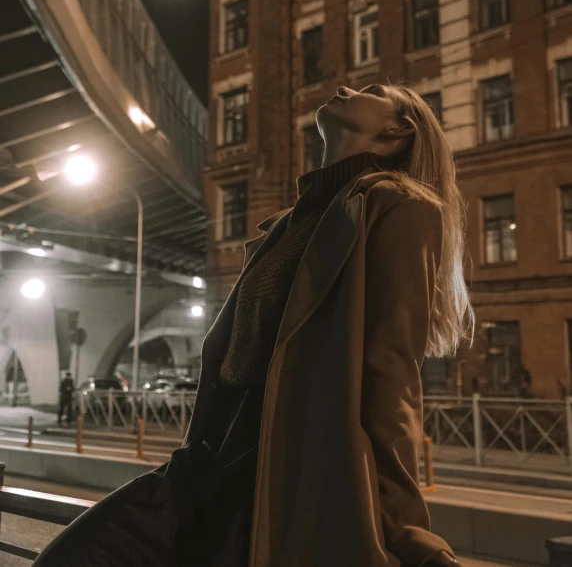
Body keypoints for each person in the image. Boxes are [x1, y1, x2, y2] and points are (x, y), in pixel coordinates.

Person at [35, 84, 473, 566]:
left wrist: (404, 527)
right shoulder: (287, 224)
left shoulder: (401, 206)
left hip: (282, 469)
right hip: (209, 459)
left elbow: (391, 371)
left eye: (372, 92)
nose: (346, 88)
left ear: (398, 127)